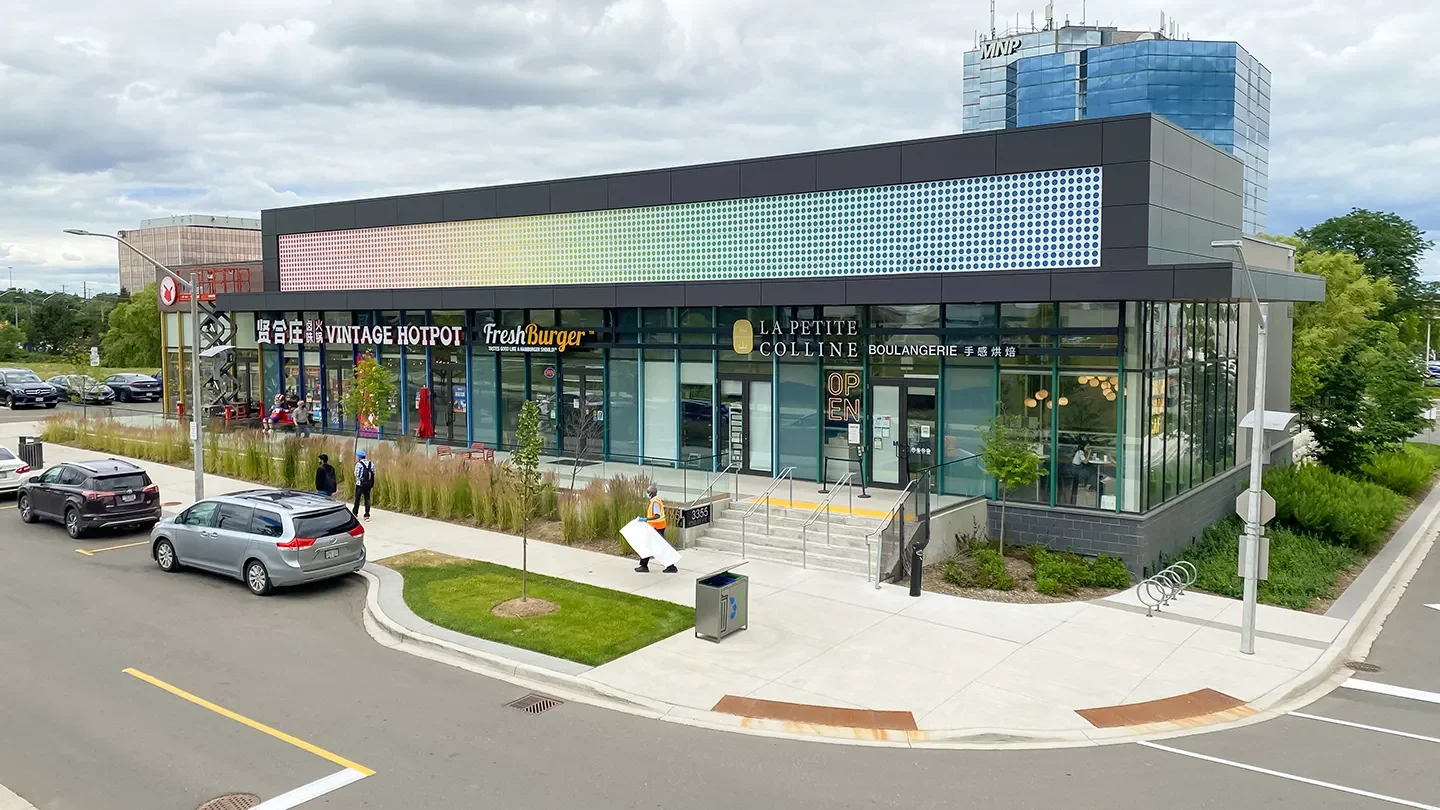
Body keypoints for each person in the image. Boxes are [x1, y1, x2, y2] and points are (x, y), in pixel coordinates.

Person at [635, 483, 677, 573]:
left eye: (647, 492)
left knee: (660, 547)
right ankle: (644, 565)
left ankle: (671, 566)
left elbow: (657, 516)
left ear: (651, 493)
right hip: (656, 527)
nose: (646, 494)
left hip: (657, 528)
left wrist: (645, 519)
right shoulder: (656, 500)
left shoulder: (655, 503)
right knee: (648, 546)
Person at [353, 450, 376, 520]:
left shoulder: (359, 464)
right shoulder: (371, 464)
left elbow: (357, 474)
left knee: (357, 499)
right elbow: (374, 473)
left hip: (360, 484)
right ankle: (367, 515)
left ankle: (355, 513)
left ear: (359, 457)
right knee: (367, 499)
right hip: (368, 485)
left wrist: (361, 478)